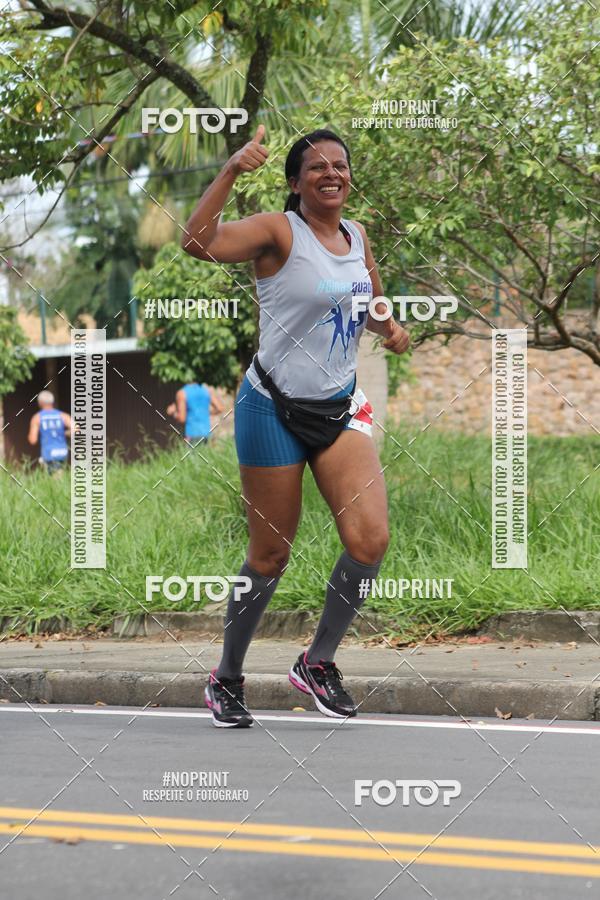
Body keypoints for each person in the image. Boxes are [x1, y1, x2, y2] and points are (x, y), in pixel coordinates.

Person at [182, 126, 410, 728]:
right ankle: (226, 676)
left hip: (338, 408)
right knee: (270, 553)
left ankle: (318, 662)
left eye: (340, 164)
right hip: (271, 408)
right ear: (294, 182)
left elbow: (369, 298)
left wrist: (389, 330)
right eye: (316, 168)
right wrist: (231, 169)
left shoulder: (357, 235)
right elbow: (196, 243)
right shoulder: (278, 232)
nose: (331, 173)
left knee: (369, 542)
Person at [166, 379, 224, 445]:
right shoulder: (206, 391)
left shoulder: (182, 393)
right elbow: (220, 408)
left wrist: (174, 413)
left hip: (192, 434)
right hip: (206, 434)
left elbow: (182, 419)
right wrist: (204, 413)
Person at [27, 390, 73, 475]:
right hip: (62, 452)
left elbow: (32, 440)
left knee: (54, 479)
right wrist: (65, 433)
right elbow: (76, 429)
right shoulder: (63, 415)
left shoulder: (37, 418)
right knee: (59, 475)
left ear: (40, 403)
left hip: (49, 453)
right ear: (52, 401)